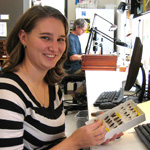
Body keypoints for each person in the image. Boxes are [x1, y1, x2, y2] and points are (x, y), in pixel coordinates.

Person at [0, 5, 123, 150]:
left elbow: (56, 142)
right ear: (23, 37)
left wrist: (92, 135)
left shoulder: (51, 84)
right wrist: (75, 142)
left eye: (60, 39)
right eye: (45, 38)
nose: (54, 47)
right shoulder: (8, 93)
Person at [63, 19, 88, 101]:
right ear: (77, 27)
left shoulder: (76, 37)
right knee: (93, 75)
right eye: (82, 30)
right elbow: (73, 57)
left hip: (76, 66)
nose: (83, 32)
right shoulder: (71, 39)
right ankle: (78, 94)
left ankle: (80, 94)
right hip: (72, 68)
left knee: (93, 72)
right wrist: (85, 56)